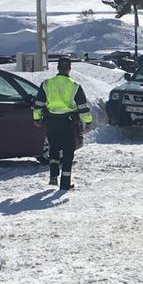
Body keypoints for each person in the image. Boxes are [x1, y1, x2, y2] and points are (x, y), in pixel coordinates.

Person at [33, 57, 93, 190]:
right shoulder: (74, 85)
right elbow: (82, 106)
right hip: (69, 123)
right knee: (68, 153)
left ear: (58, 68)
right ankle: (65, 184)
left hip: (51, 121)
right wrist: (88, 121)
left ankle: (53, 177)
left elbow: (38, 104)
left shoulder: (46, 84)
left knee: (54, 149)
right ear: (69, 68)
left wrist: (37, 119)